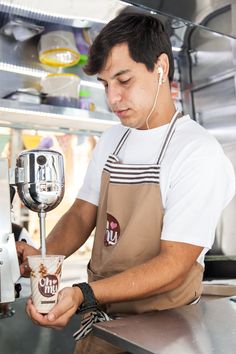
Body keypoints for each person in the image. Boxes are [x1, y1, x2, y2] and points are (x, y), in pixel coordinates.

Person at [16, 12, 235, 354]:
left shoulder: (196, 151)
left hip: (164, 336)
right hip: (103, 328)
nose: (113, 98)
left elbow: (175, 264)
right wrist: (43, 260)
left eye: (124, 80)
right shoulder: (112, 141)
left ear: (160, 67)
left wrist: (83, 293)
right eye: (105, 84)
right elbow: (80, 216)